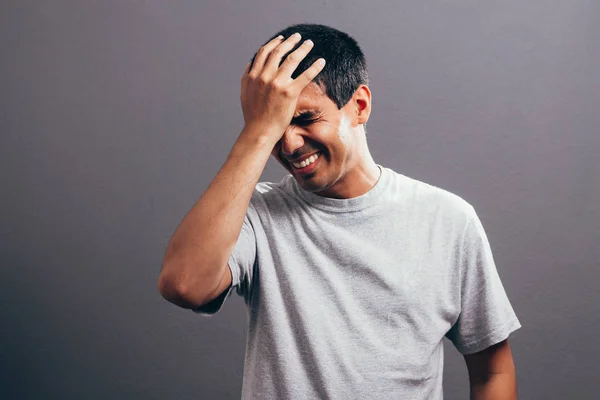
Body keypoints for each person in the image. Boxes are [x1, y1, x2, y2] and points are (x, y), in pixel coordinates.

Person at [158, 23, 522, 400]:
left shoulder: (448, 220)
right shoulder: (255, 217)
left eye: (305, 118)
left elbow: (492, 370)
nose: (288, 143)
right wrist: (257, 131)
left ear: (359, 106)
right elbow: (185, 285)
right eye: (276, 125)